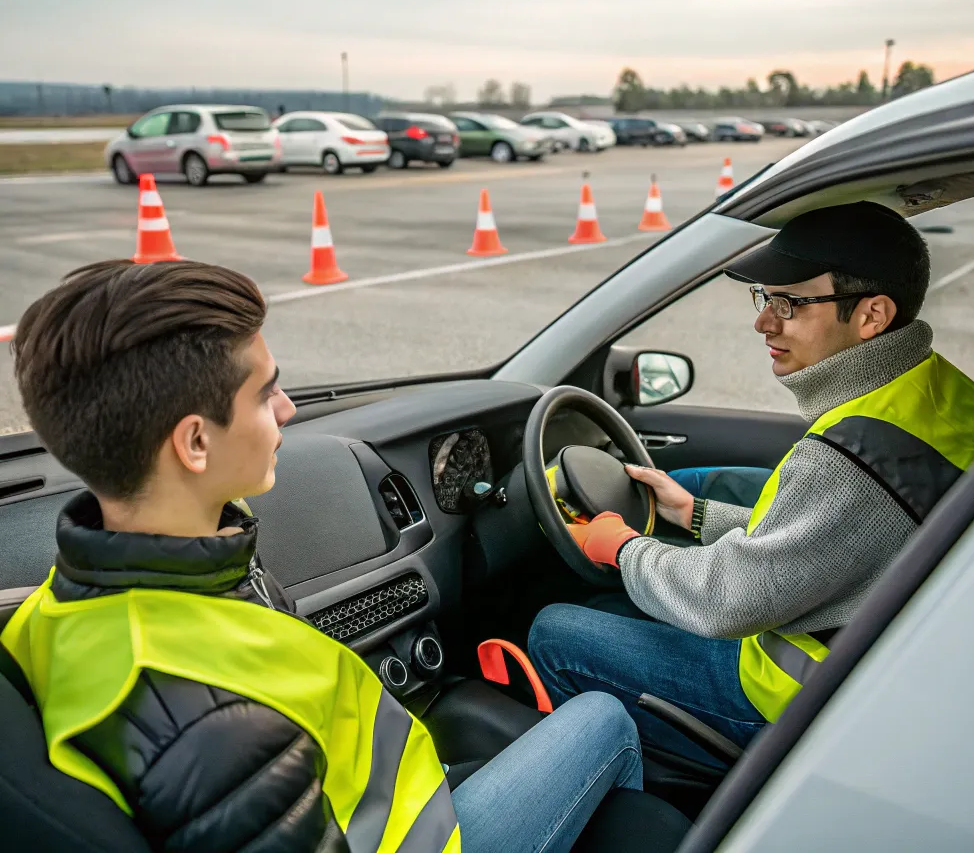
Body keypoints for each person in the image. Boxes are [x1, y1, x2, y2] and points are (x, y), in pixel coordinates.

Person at [2, 259, 645, 853]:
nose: (287, 409)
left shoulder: (68, 605)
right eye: (264, 394)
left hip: (386, 795)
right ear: (194, 442)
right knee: (605, 719)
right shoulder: (215, 732)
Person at [529, 202, 974, 763]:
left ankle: (649, 794)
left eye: (789, 302)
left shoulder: (851, 456)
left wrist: (624, 548)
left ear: (872, 315)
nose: (763, 321)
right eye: (764, 299)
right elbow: (839, 541)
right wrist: (694, 515)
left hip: (803, 699)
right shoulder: (936, 394)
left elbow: (728, 600)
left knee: (556, 633)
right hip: (892, 666)